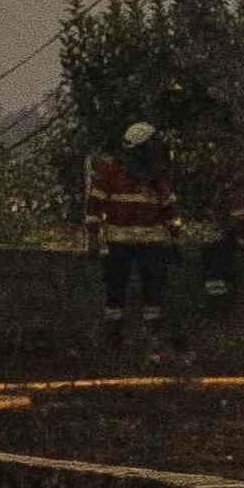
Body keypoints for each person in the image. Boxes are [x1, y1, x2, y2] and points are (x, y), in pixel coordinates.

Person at [81, 124, 180, 352]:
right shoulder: (110, 170)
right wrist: (94, 239)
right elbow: (94, 205)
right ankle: (113, 339)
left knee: (153, 290)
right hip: (119, 243)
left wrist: (176, 239)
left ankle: (153, 339)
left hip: (152, 243)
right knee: (115, 289)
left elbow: (169, 209)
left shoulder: (157, 176)